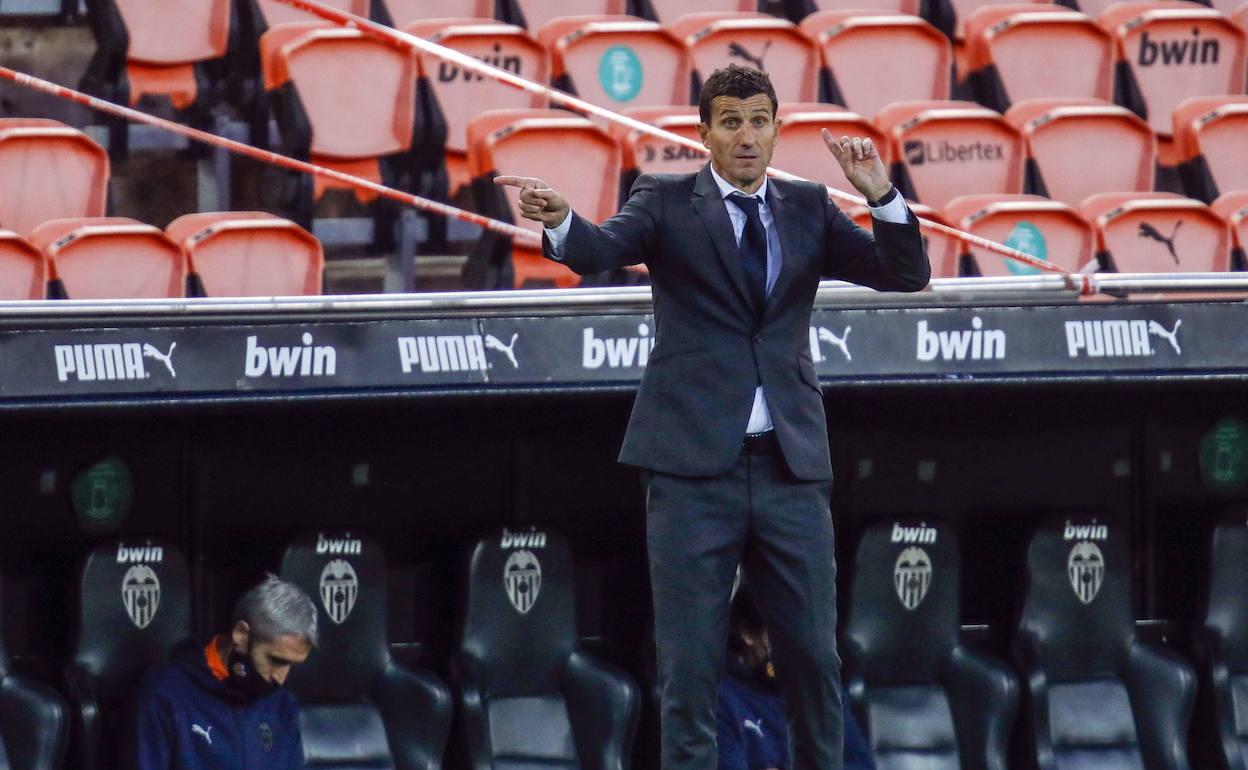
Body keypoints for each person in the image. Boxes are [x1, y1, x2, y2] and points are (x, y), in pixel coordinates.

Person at [496, 64, 928, 770]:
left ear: (777, 130)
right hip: (693, 474)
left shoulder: (811, 205)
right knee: (690, 672)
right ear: (704, 134)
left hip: (790, 468)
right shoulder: (665, 202)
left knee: (816, 660)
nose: (747, 136)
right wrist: (562, 223)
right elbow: (603, 249)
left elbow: (905, 273)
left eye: (759, 121)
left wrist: (879, 192)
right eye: (730, 122)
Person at [129, 575, 318, 769]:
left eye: (291, 665)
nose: (280, 678)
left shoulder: (283, 705)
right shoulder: (164, 694)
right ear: (241, 634)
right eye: (275, 660)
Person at [718, 586, 875, 770]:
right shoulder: (721, 698)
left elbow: (863, 765)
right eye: (785, 631)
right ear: (749, 634)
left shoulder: (823, 688)